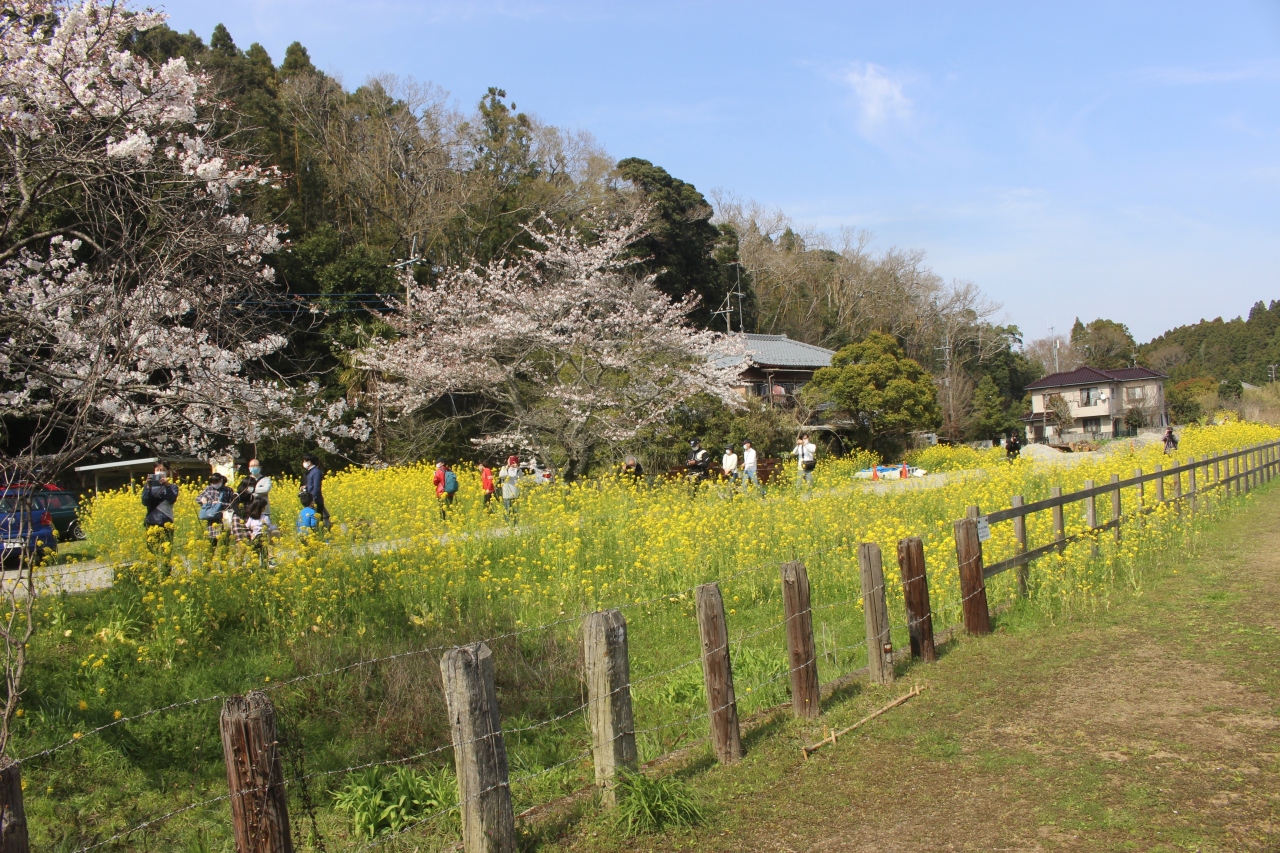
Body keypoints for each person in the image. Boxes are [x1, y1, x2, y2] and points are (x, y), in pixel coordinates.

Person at [141, 462, 179, 552]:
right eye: (157, 470)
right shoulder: (148, 486)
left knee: (166, 552)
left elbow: (172, 499)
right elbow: (145, 502)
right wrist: (148, 486)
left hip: (166, 522)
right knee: (152, 552)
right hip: (151, 522)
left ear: (168, 471)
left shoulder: (173, 487)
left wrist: (167, 485)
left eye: (162, 470)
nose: (159, 472)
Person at [196, 473, 234, 548]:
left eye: (216, 481)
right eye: (212, 482)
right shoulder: (209, 489)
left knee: (225, 540)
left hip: (224, 518)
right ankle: (211, 554)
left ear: (221, 480)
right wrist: (204, 501)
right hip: (212, 518)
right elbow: (198, 498)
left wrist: (220, 504)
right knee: (212, 540)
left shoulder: (228, 490)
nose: (214, 484)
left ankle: (224, 554)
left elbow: (232, 504)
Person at [300, 454, 330, 528]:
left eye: (304, 461)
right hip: (310, 501)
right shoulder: (309, 472)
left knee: (317, 522)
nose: (303, 463)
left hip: (315, 501)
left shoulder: (316, 472)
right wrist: (305, 487)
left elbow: (316, 488)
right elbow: (311, 484)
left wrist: (312, 500)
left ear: (309, 462)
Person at [248, 458, 272, 523]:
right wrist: (260, 492)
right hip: (250, 510)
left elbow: (266, 489)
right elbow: (244, 491)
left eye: (256, 465)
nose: (253, 467)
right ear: (249, 468)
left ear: (260, 468)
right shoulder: (246, 480)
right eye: (252, 466)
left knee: (265, 527)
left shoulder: (266, 479)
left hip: (264, 511)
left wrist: (252, 490)